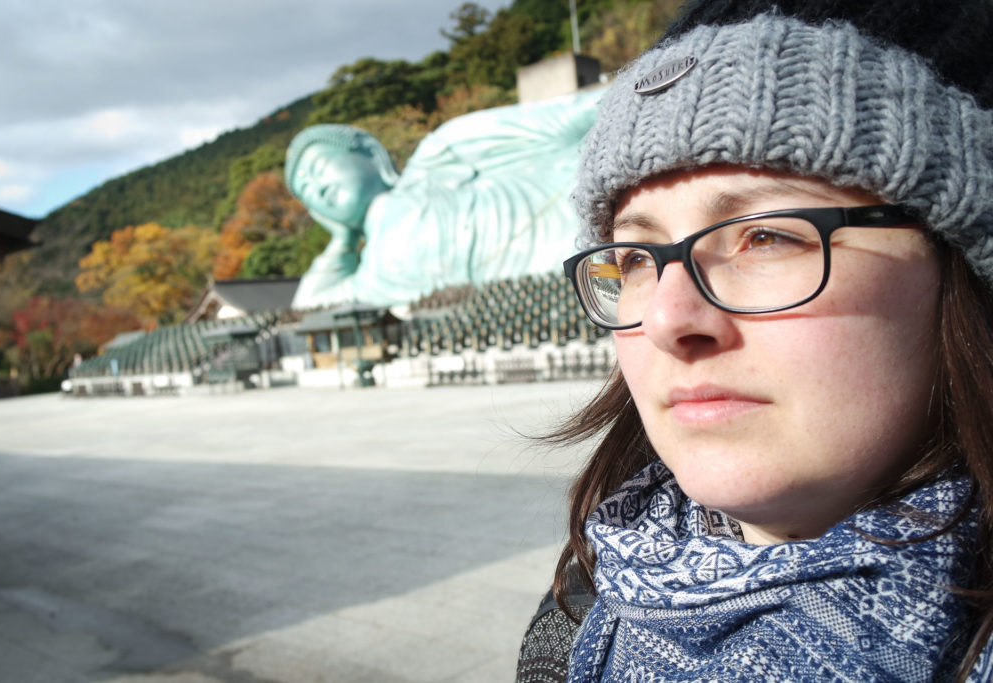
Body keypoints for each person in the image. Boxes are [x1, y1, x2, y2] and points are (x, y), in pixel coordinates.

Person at [520, 0, 993, 681]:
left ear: (962, 266)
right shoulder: (578, 610)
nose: (667, 319)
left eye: (766, 236)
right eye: (634, 258)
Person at [284, 89, 603, 309]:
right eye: (306, 193)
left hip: (585, 205)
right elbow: (307, 305)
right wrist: (342, 240)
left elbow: (569, 118)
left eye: (318, 169)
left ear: (369, 152)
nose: (317, 189)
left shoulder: (440, 154)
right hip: (575, 287)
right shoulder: (373, 277)